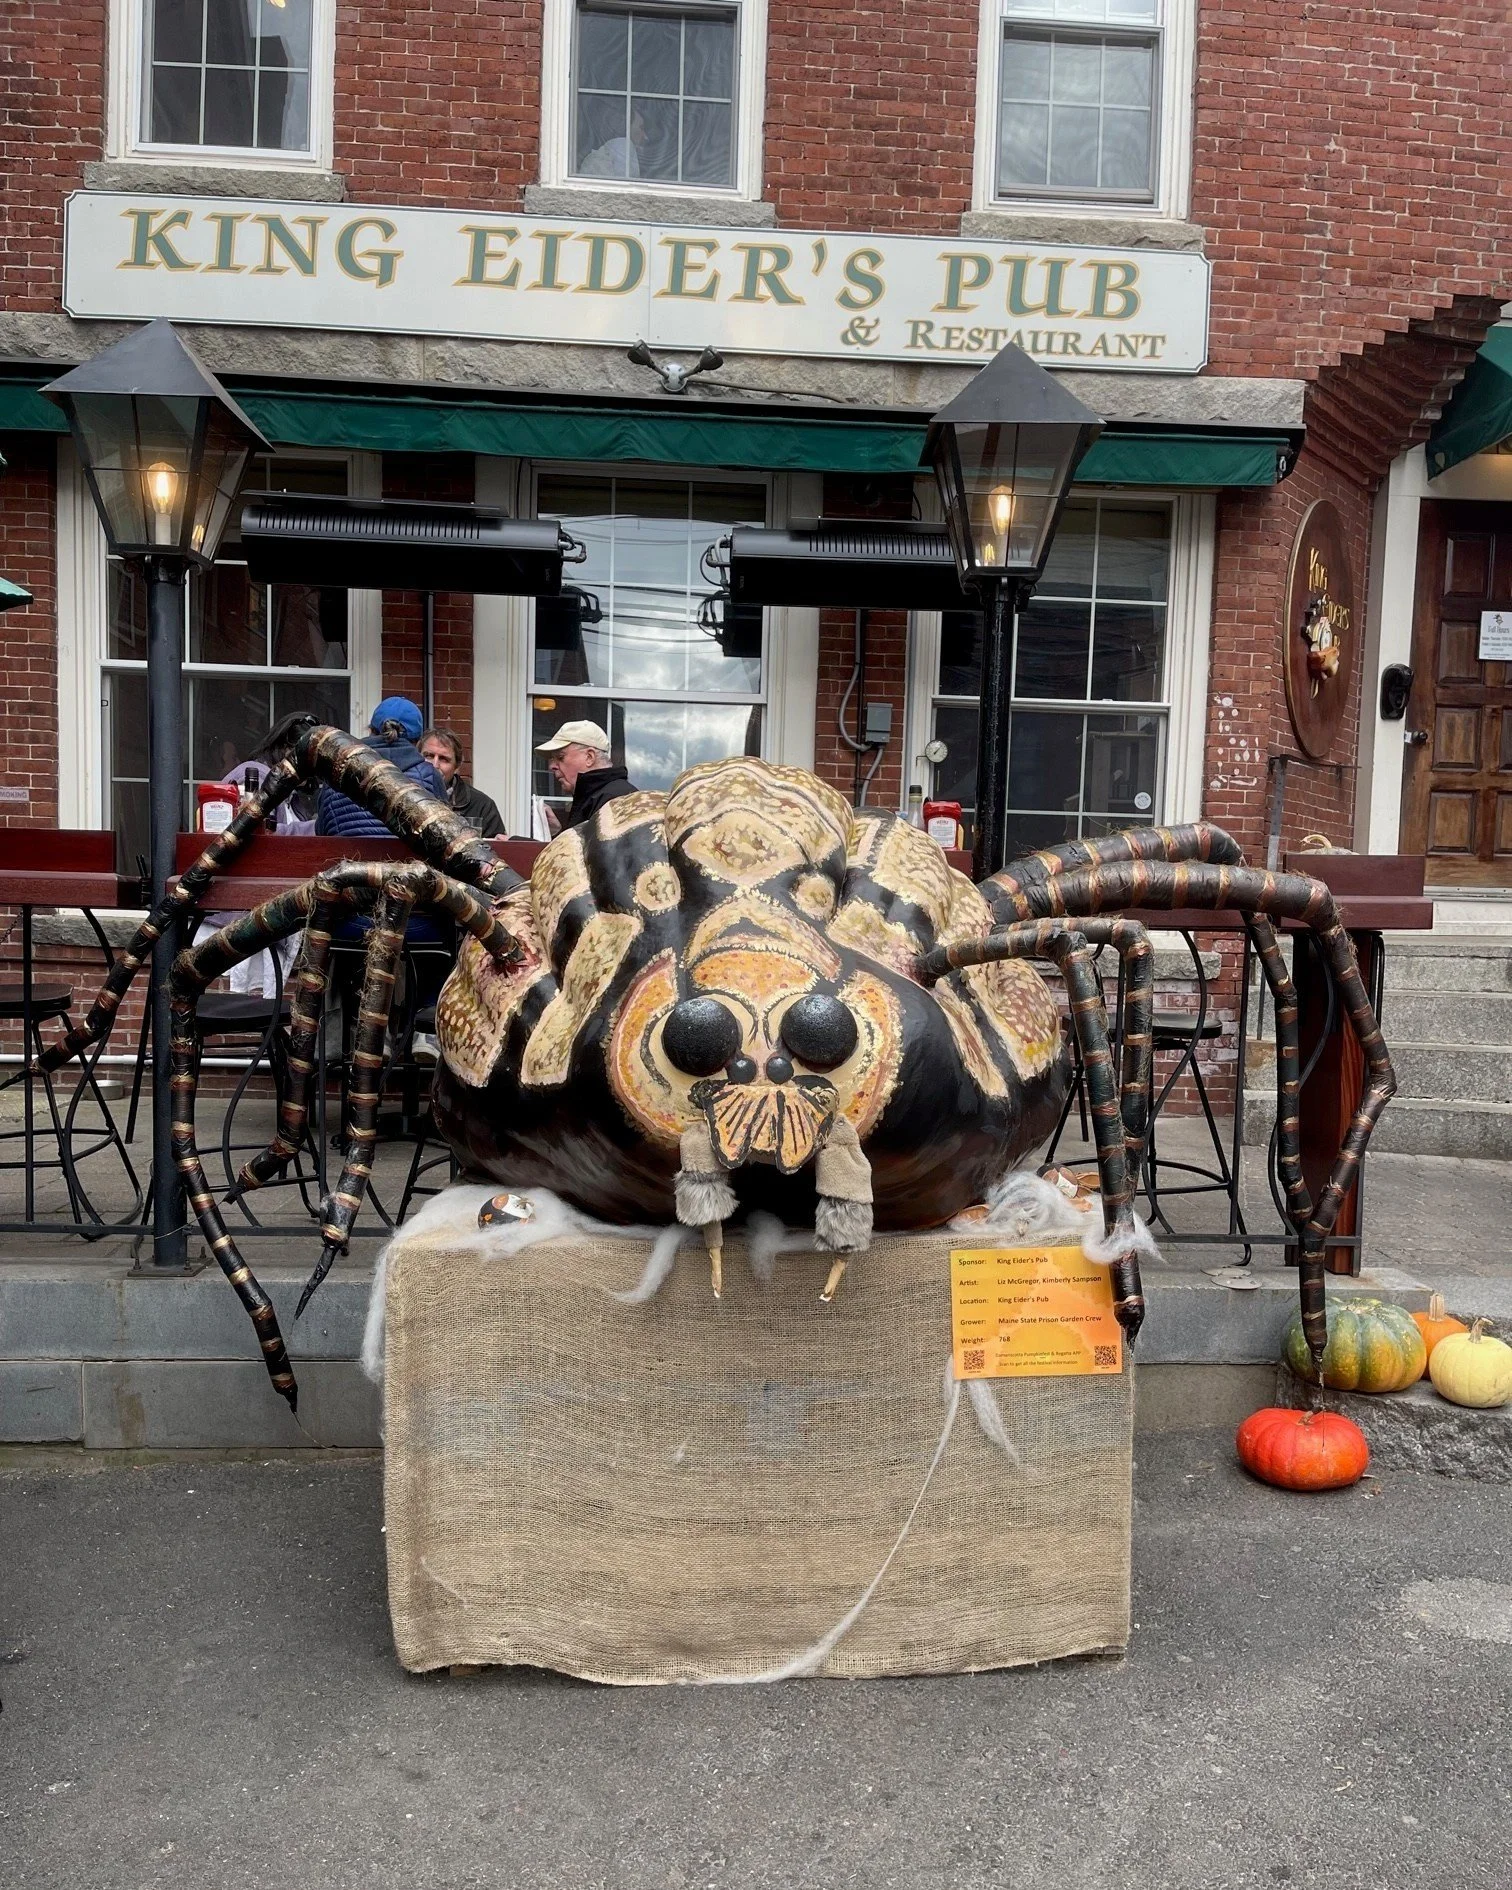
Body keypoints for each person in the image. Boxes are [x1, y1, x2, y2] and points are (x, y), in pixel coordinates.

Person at [315, 696, 447, 838]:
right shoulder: (429, 777)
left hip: (347, 860)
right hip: (405, 861)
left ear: (371, 731)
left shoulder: (337, 771)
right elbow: (445, 836)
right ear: (417, 741)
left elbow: (321, 831)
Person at [536, 719, 637, 830]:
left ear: (589, 757)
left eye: (560, 757)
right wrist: (557, 833)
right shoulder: (598, 796)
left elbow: (606, 847)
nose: (552, 766)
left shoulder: (615, 800)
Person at [419, 727, 504, 837]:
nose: (435, 765)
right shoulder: (399, 794)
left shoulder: (482, 805)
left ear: (457, 767)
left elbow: (497, 851)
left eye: (444, 759)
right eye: (428, 756)